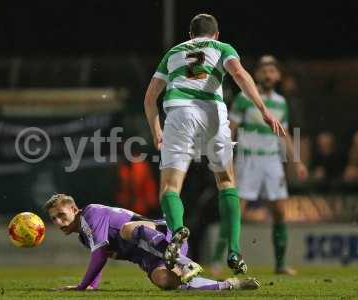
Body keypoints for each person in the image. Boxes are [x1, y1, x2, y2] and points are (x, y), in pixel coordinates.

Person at [144, 13, 286, 273]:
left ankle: (177, 232)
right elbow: (240, 75)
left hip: (179, 113)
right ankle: (234, 251)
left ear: (190, 35)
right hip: (213, 113)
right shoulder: (222, 48)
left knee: (170, 187)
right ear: (216, 34)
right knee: (226, 182)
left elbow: (149, 97)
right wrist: (263, 109)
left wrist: (156, 129)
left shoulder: (173, 52)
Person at [46, 194, 260, 292]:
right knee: (165, 282)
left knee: (127, 228)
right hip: (151, 255)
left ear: (74, 209)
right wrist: (92, 286)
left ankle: (183, 262)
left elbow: (100, 255)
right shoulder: (85, 236)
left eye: (61, 215)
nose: (58, 222)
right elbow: (99, 256)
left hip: (162, 235)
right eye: (53, 219)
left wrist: (82, 287)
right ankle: (229, 285)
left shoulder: (91, 213)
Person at [218, 55, 308, 275]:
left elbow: (283, 134)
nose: (268, 74)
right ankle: (217, 259)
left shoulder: (281, 102)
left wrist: (297, 162)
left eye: (272, 70)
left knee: (279, 212)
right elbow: (232, 128)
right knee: (235, 210)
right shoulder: (244, 98)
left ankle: (280, 264)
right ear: (257, 74)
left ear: (277, 76)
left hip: (272, 161)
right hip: (248, 159)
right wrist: (224, 154)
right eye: (264, 70)